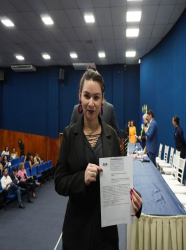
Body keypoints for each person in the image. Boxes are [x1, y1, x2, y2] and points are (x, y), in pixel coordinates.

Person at [55, 67, 142, 250]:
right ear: (80, 96)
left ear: (102, 99)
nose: (91, 103)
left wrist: (134, 201)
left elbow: (119, 180)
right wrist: (82, 178)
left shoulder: (112, 136)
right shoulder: (70, 135)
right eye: (87, 96)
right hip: (76, 229)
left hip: (106, 233)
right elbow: (59, 182)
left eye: (96, 97)